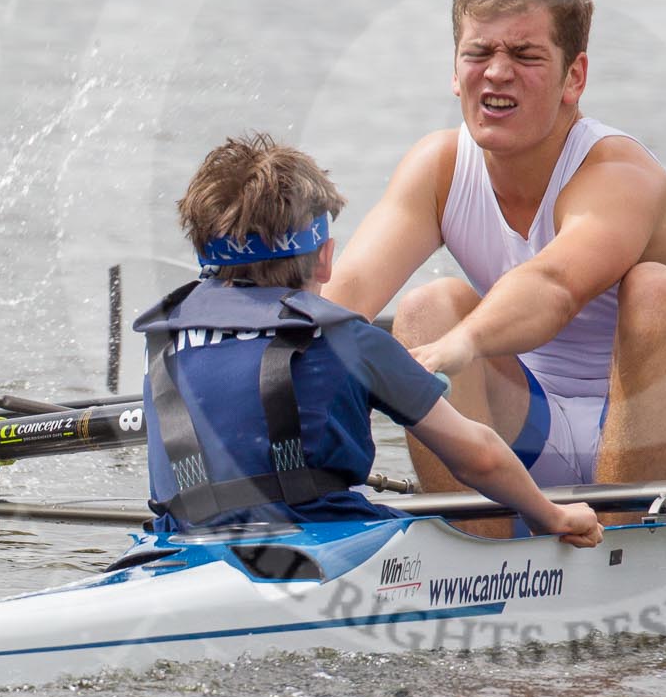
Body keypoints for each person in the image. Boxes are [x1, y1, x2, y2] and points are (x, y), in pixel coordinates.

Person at [323, 0, 666, 522]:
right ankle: (475, 563)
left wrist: (465, 344)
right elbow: (341, 296)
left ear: (573, 77)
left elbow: (553, 287)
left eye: (525, 54)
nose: (497, 71)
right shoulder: (437, 168)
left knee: (657, 291)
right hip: (542, 433)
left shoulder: (618, 174)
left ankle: (618, 554)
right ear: (455, 72)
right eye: (478, 52)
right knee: (429, 308)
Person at [134, 131, 602, 547]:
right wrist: (553, 514)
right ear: (324, 260)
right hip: (320, 544)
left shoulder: (165, 336)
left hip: (177, 542)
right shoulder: (348, 339)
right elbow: (477, 457)